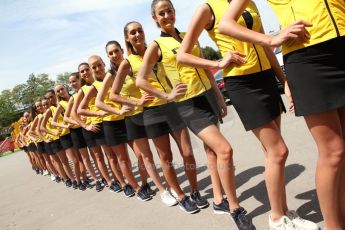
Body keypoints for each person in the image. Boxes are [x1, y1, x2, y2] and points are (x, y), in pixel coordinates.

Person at [176, 0, 318, 229]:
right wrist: (218, 61)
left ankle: (283, 212)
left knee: (272, 154)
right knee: (279, 151)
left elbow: (264, 45)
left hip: (265, 80)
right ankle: (275, 217)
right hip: (242, 84)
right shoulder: (207, 8)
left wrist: (284, 81)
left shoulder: (249, 2)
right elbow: (183, 55)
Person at [218, 0, 345, 229]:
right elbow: (226, 24)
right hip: (309, 56)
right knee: (333, 150)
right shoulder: (208, 7)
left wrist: (283, 81)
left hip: (341, 48)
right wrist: (272, 39)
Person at [137, 1, 252, 227]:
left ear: (175, 12)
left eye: (170, 11)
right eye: (161, 13)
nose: (167, 15)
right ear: (154, 18)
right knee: (224, 150)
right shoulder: (156, 45)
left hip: (207, 96)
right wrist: (167, 95)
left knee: (211, 151)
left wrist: (219, 97)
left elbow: (203, 69)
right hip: (188, 104)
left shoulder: (189, 35)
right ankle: (234, 207)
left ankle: (218, 199)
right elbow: (141, 79)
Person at [102, 32, 177, 206]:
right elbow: (111, 97)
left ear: (122, 49)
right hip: (133, 118)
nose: (114, 55)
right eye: (110, 53)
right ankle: (162, 190)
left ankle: (170, 185)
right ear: (108, 56)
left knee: (163, 153)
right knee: (146, 157)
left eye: (116, 51)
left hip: (151, 112)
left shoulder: (134, 63)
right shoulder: (110, 75)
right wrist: (130, 104)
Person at [85, 54, 151, 201]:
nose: (97, 68)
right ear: (91, 70)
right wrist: (116, 111)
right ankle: (135, 187)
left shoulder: (115, 75)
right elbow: (90, 106)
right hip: (111, 124)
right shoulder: (94, 87)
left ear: (103, 63)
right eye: (93, 67)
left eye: (98, 64)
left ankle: (145, 183)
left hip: (127, 120)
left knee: (140, 155)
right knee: (122, 159)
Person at [63, 72, 99, 188]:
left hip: (91, 126)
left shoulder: (89, 89)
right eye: (71, 82)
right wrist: (79, 122)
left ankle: (103, 177)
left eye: (74, 81)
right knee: (85, 158)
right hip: (78, 131)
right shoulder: (74, 97)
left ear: (80, 79)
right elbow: (67, 117)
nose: (73, 84)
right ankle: (96, 179)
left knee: (96, 155)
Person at [51, 83, 88, 190]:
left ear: (66, 88)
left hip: (80, 130)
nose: (60, 92)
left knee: (82, 158)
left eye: (61, 89)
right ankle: (77, 181)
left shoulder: (75, 97)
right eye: (57, 91)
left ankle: (85, 179)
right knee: (75, 160)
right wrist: (65, 125)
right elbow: (54, 122)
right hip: (68, 135)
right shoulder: (61, 104)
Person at [40, 90, 76, 188]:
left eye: (51, 97)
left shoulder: (60, 105)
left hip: (68, 134)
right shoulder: (48, 111)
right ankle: (69, 179)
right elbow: (41, 127)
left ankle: (76, 178)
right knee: (62, 161)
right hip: (55, 139)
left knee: (73, 159)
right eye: (47, 99)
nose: (49, 100)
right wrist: (53, 133)